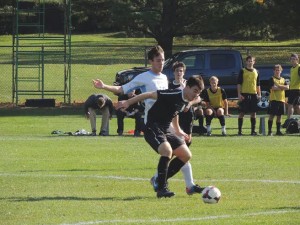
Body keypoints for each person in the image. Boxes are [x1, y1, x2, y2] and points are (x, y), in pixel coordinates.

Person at [93, 46, 203, 195]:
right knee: (168, 151)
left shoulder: (164, 78)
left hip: (167, 123)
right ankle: (163, 185)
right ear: (151, 61)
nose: (161, 63)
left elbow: (173, 105)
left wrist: (177, 129)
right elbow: (123, 89)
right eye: (158, 60)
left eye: (163, 60)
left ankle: (183, 184)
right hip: (153, 121)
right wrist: (105, 87)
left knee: (184, 153)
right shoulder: (143, 77)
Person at [117, 76, 205, 198]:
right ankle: (162, 188)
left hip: (167, 128)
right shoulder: (173, 93)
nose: (196, 95)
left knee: (186, 155)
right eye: (195, 91)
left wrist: (178, 130)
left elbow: (175, 112)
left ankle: (158, 179)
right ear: (187, 87)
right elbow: (149, 94)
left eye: (199, 92)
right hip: (153, 126)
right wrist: (127, 102)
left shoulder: (186, 98)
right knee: (167, 151)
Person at [237, 55, 261, 136]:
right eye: (249, 61)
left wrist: (259, 94)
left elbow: (258, 84)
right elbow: (239, 83)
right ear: (246, 62)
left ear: (254, 62)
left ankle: (253, 131)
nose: (250, 62)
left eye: (252, 61)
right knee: (242, 112)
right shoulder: (242, 71)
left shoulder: (256, 71)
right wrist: (239, 94)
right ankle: (240, 131)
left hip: (254, 94)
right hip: (244, 94)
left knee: (253, 113)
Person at [267, 64, 289, 136]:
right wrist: (282, 87)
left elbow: (287, 87)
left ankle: (278, 131)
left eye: (278, 70)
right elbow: (273, 88)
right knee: (272, 115)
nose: (277, 72)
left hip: (281, 100)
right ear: (274, 71)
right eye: (276, 70)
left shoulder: (283, 79)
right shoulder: (272, 79)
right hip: (274, 100)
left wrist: (279, 86)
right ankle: (269, 131)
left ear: (281, 71)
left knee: (279, 116)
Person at [287, 53, 300, 119]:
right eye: (292, 59)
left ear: (297, 59)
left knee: (290, 105)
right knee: (297, 106)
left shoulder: (299, 67)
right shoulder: (292, 68)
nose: (293, 60)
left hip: (296, 89)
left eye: (294, 59)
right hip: (292, 89)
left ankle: (288, 121)